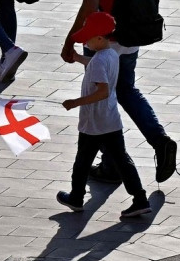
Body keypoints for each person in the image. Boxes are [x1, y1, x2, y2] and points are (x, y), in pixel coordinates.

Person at [61, 0, 177, 182]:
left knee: (101, 98)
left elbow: (91, 4)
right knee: (125, 90)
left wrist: (71, 39)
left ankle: (113, 164)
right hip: (132, 34)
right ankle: (159, 141)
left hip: (103, 38)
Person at [58, 12, 152, 219]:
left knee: (82, 162)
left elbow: (103, 91)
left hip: (94, 123)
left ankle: (76, 197)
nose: (85, 41)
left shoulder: (99, 60)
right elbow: (94, 65)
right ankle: (140, 199)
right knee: (122, 160)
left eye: (88, 38)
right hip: (111, 121)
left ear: (100, 38)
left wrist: (75, 103)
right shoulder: (110, 55)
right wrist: (77, 58)